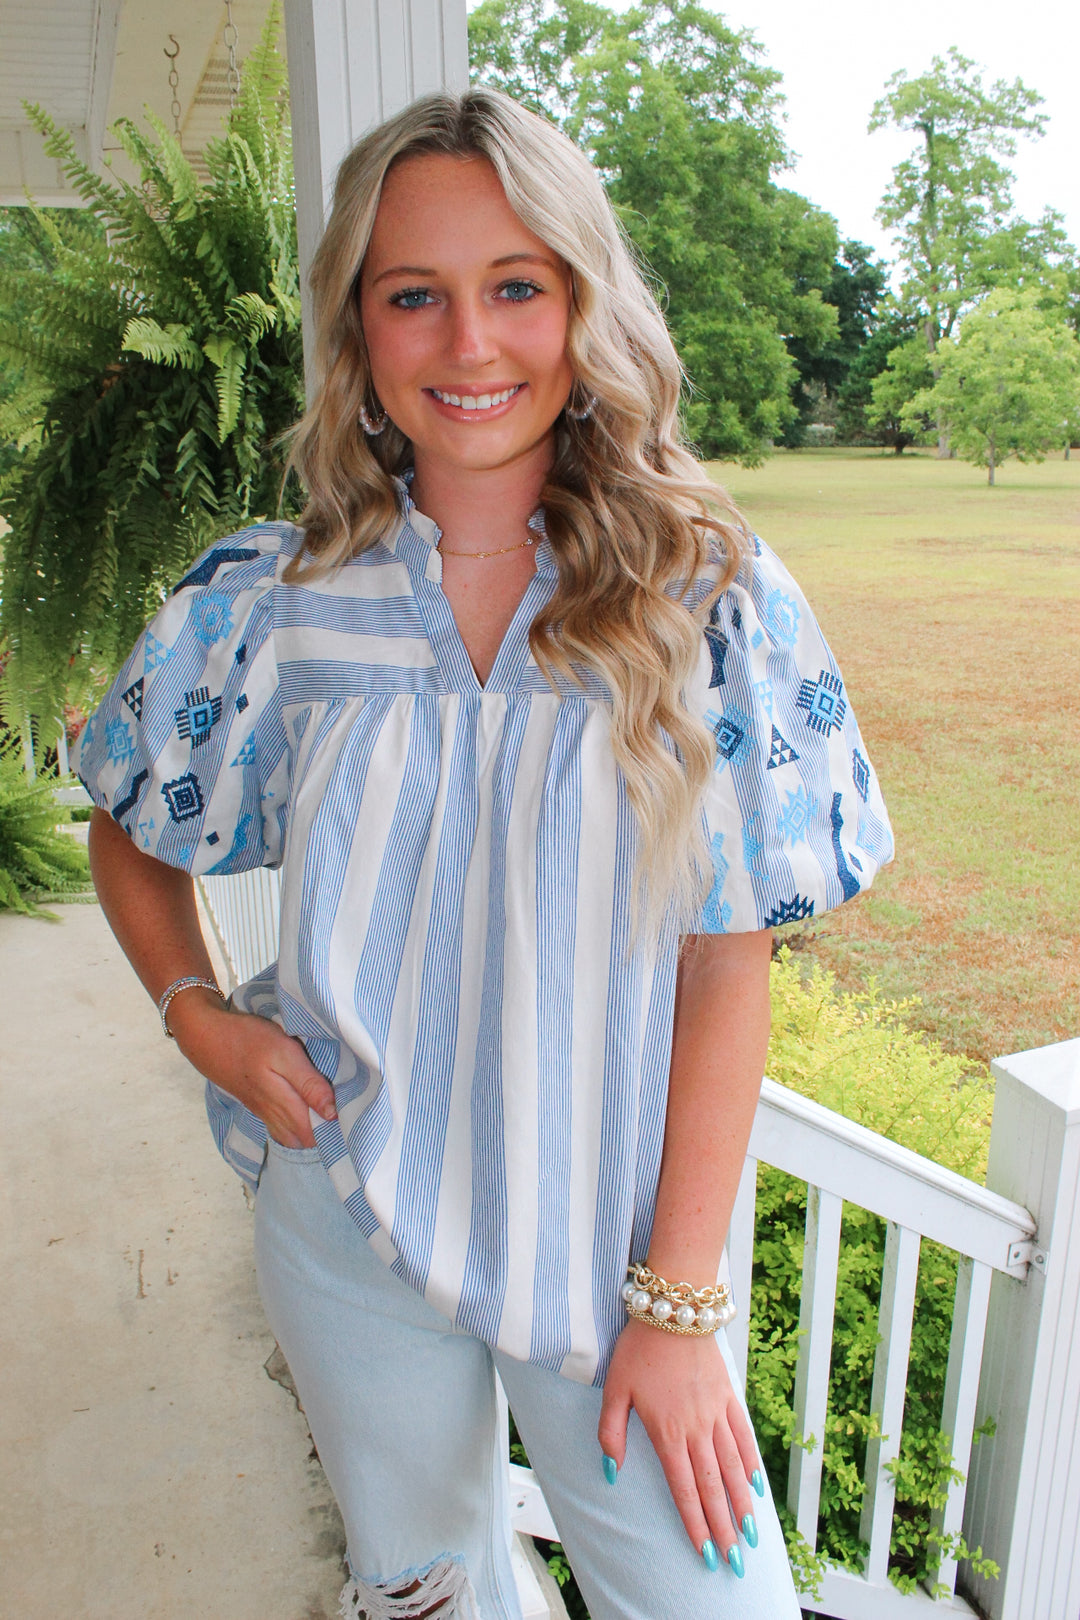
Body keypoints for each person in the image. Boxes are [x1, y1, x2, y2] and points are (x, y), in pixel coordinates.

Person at [78, 88, 892, 1620]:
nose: (470, 345)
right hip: (346, 1217)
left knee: (717, 1601)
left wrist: (678, 1300)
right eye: (415, 296)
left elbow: (730, 963)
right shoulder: (274, 600)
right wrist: (199, 1017)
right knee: (429, 1597)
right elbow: (132, 827)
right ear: (358, 330)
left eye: (517, 285)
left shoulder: (702, 595)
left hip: (610, 1248)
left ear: (582, 303)